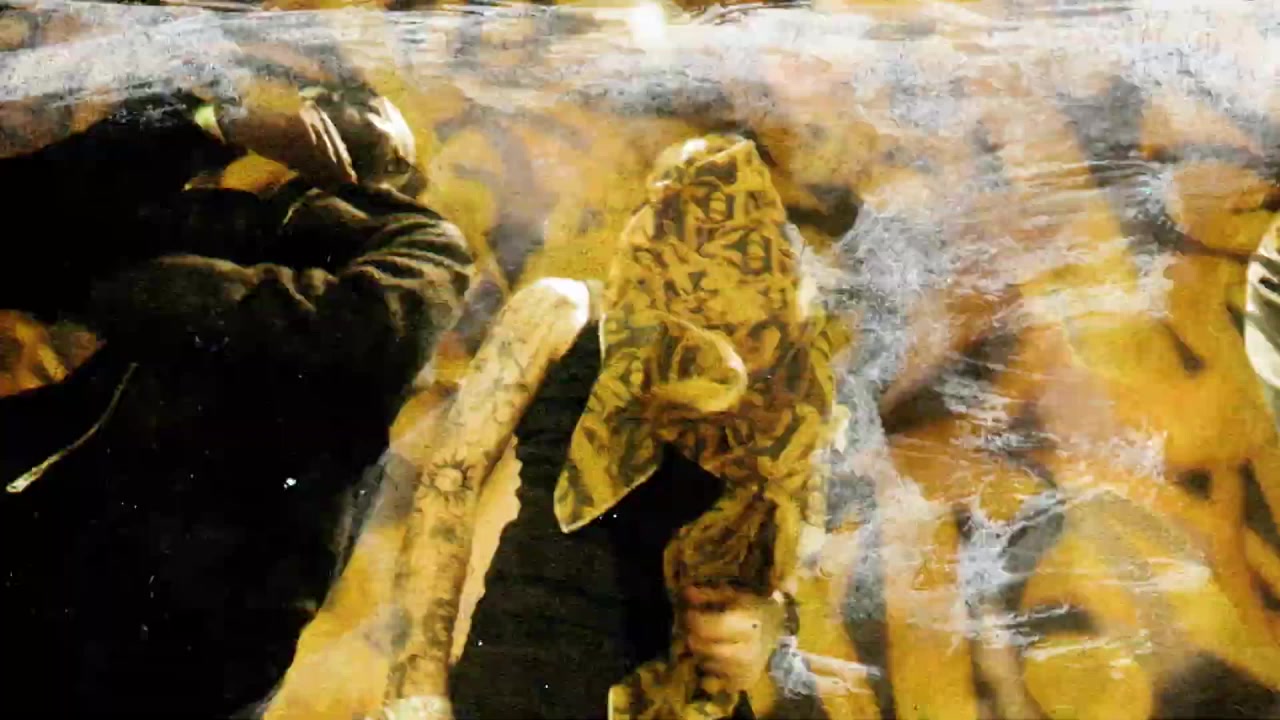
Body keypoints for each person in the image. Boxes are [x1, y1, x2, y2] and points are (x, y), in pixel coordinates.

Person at [0, 86, 474, 717]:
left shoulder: (424, 240)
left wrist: (125, 288)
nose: (327, 101)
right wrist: (213, 124)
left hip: (196, 622)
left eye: (366, 100)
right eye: (318, 94)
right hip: (52, 554)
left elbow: (369, 328)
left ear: (403, 160)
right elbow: (21, 230)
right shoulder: (230, 217)